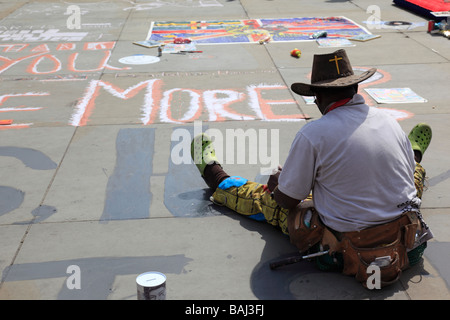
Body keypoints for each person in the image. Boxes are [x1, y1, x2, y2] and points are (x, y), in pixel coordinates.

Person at [190, 49, 433, 287]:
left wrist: (278, 186)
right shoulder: (389, 121)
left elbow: (287, 200)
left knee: (268, 201)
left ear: (318, 96)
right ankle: (415, 153)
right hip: (408, 246)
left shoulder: (313, 134)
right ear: (356, 89)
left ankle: (215, 176)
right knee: (411, 175)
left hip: (343, 253)